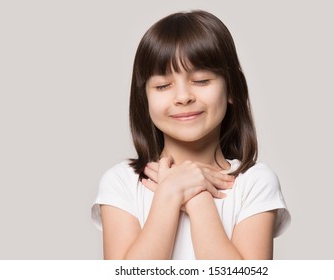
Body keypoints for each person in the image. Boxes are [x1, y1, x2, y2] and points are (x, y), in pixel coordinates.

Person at [92, 10, 290, 260]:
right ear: (145, 99)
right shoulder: (122, 183)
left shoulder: (254, 183)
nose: (183, 97)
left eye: (202, 80)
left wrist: (198, 200)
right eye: (163, 86)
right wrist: (170, 192)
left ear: (232, 89)